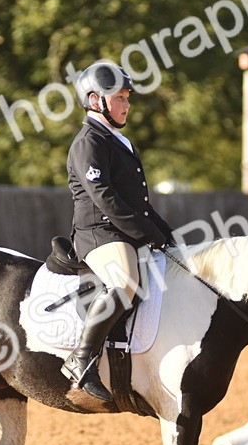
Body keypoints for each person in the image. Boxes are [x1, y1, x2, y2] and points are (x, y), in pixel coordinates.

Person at [62, 61, 175, 401]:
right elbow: (105, 197)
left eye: (128, 97)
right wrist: (144, 232)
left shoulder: (119, 141)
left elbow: (138, 202)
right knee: (126, 281)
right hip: (99, 233)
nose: (127, 104)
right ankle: (82, 360)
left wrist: (164, 231)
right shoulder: (89, 142)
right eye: (120, 97)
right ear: (96, 100)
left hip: (122, 231)